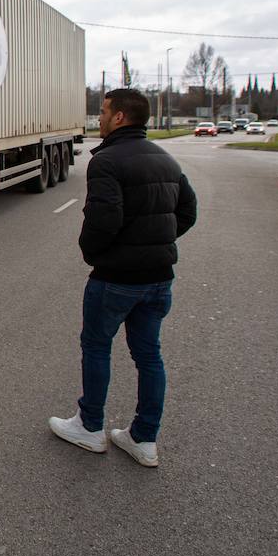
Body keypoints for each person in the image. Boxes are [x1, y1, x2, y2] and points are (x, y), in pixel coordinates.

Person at [49, 88, 197, 467]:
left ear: (118, 118)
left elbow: (104, 218)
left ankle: (91, 427)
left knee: (97, 347)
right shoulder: (166, 159)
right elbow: (187, 211)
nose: (98, 118)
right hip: (159, 278)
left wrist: (94, 254)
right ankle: (144, 439)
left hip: (115, 278)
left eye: (102, 111)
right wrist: (154, 242)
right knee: (149, 356)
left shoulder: (107, 161)